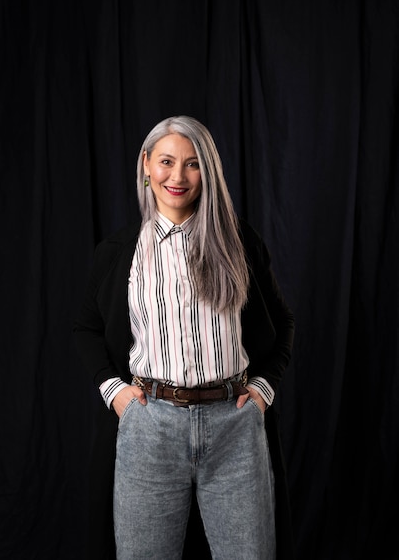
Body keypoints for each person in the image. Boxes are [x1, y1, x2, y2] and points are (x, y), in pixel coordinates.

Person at [74, 115, 295, 560]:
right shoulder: (119, 254)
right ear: (146, 165)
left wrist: (262, 390)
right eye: (166, 162)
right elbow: (86, 327)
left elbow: (282, 323)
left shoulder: (240, 244)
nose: (177, 176)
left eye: (192, 164)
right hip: (149, 427)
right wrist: (114, 393)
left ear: (207, 173)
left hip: (235, 427)